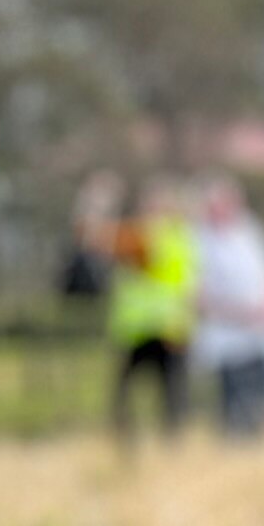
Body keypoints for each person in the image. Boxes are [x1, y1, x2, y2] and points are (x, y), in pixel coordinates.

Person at [189, 176, 264, 441]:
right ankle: (235, 445)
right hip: (225, 334)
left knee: (262, 394)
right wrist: (240, 312)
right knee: (234, 400)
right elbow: (197, 294)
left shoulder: (250, 229)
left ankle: (260, 440)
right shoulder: (198, 238)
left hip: (261, 331)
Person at [96, 177, 194, 445]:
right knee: (124, 394)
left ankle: (171, 444)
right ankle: (126, 442)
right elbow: (97, 244)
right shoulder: (133, 234)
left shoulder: (175, 237)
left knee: (171, 396)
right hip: (135, 329)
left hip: (167, 328)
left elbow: (180, 279)